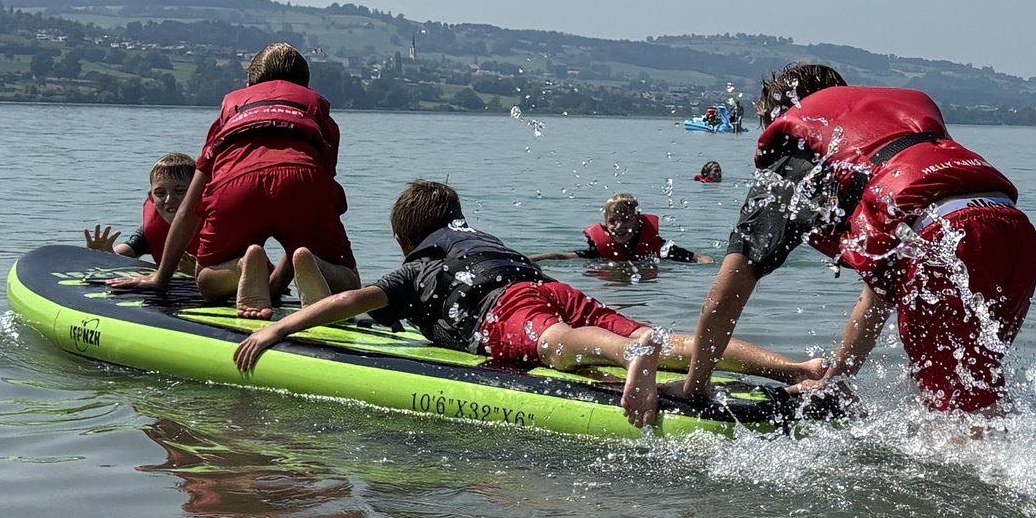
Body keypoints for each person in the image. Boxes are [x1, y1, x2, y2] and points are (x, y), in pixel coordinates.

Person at [232, 181, 824, 423]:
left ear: (405, 240)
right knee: (672, 341)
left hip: (504, 309)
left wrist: (277, 331)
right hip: (547, 286)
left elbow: (356, 298)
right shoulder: (479, 238)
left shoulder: (420, 265)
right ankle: (798, 368)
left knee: (556, 345)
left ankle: (631, 354)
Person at [665, 63, 1036, 418]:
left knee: (960, 416)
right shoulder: (888, 135)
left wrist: (695, 386)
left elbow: (728, 290)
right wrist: (838, 380)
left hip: (946, 238)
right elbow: (880, 292)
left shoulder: (799, 147)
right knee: (971, 388)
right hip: (1014, 232)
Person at [109, 43, 359, 317]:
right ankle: (316, 267)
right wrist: (282, 280)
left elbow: (189, 208)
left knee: (206, 279)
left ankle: (242, 267)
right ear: (304, 85)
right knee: (348, 281)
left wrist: (161, 278)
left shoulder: (232, 113)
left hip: (237, 185)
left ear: (249, 84)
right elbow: (321, 188)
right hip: (303, 178)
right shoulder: (316, 110)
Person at [85, 152, 198, 274]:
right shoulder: (153, 229)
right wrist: (105, 253)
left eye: (180, 191)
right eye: (160, 193)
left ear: (200, 191)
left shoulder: (211, 228)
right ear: (151, 198)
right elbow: (125, 252)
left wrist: (196, 272)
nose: (169, 199)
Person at [530, 192, 714, 265]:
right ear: (605, 223)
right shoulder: (599, 250)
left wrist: (709, 264)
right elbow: (561, 256)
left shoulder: (659, 247)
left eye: (626, 220)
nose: (619, 227)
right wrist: (527, 259)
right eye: (613, 221)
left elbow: (697, 258)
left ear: (637, 221)